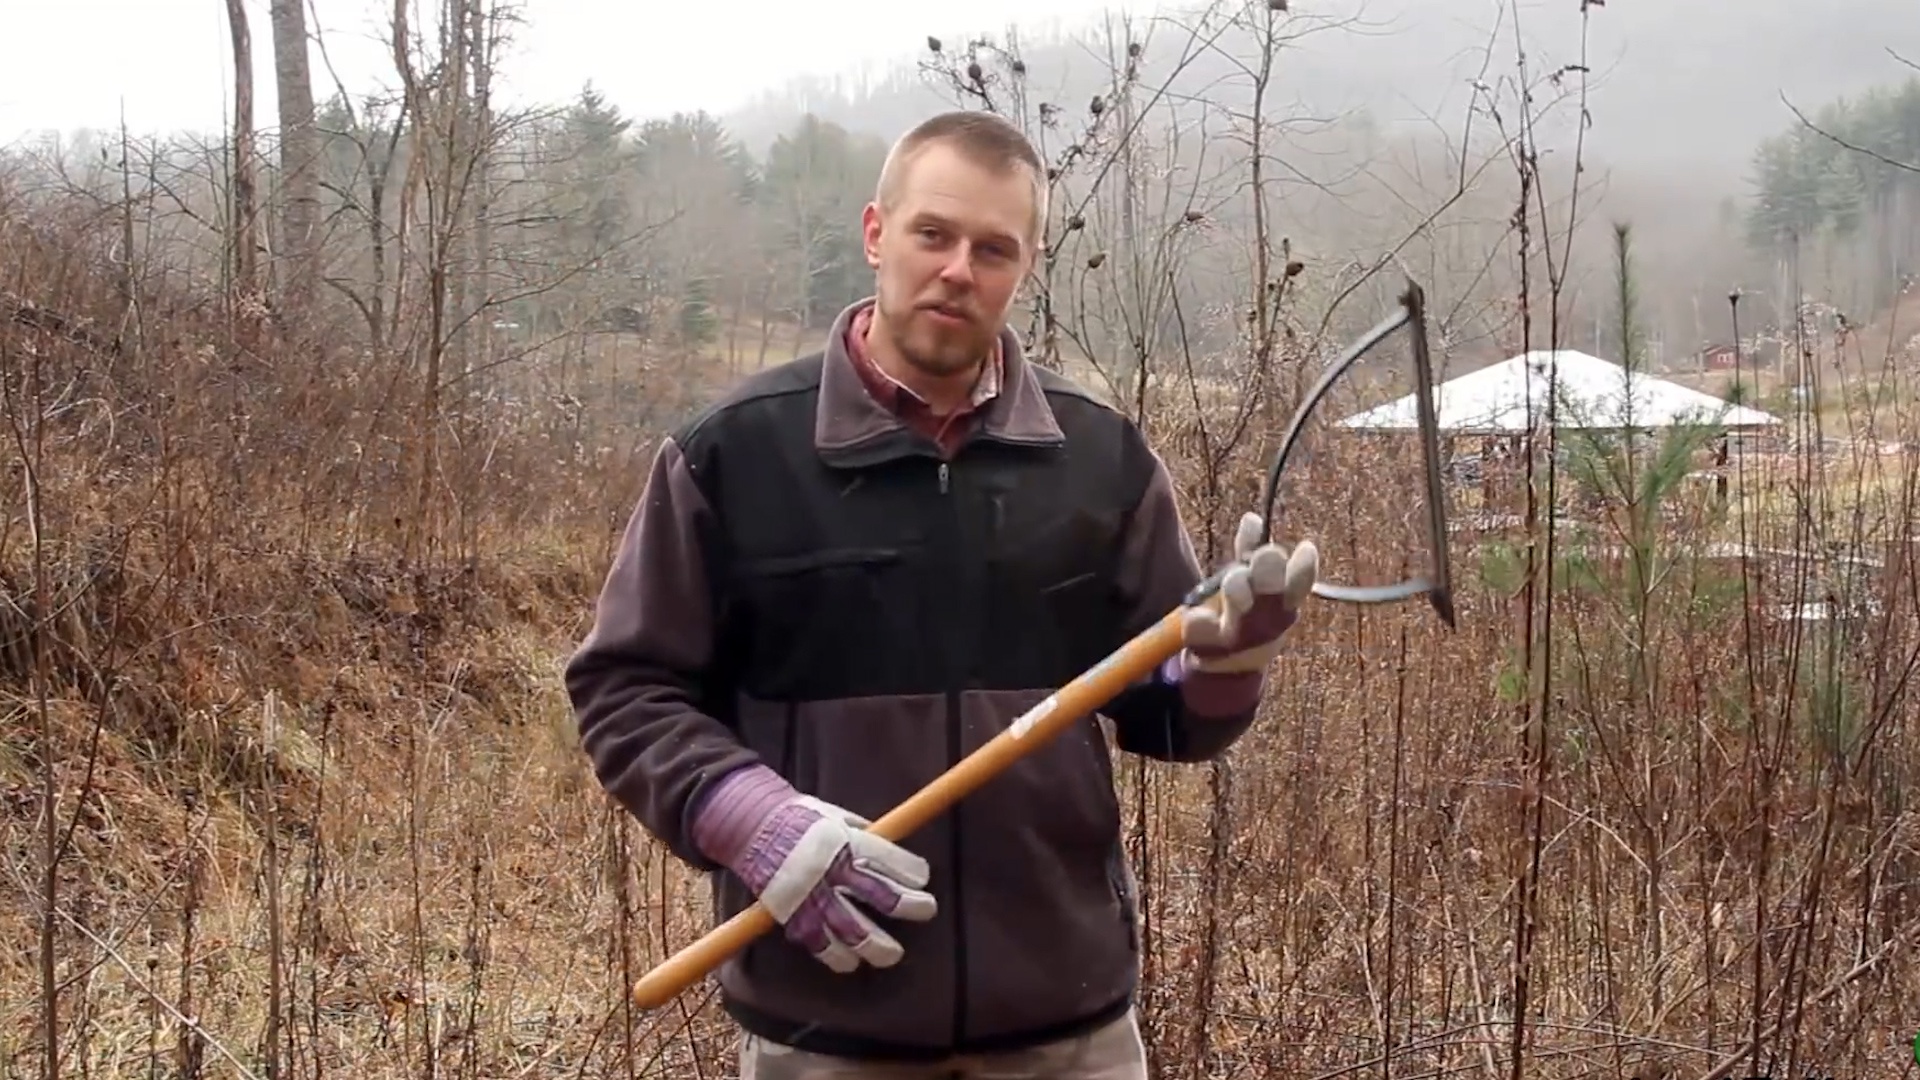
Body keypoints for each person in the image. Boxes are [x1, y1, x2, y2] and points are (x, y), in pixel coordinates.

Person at [564, 109, 1319, 1080]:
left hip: (1068, 1034)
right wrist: (753, 822)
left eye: (994, 248)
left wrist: (1228, 664)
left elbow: (1169, 721)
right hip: (827, 1030)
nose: (959, 269)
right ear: (877, 234)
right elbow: (624, 691)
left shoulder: (1101, 459)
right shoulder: (734, 456)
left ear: (1025, 266)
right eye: (934, 234)